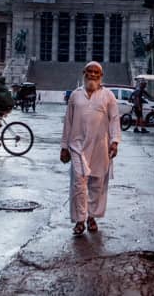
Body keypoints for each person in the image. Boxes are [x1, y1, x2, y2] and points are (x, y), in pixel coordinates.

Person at [60, 61, 121, 236]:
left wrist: (115, 141)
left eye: (96, 72)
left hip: (100, 146)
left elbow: (115, 119)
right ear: (84, 73)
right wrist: (64, 146)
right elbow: (68, 122)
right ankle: (80, 220)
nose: (92, 75)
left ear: (101, 76)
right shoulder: (75, 95)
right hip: (77, 146)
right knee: (78, 184)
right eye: (89, 71)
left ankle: (92, 216)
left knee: (97, 184)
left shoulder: (108, 96)